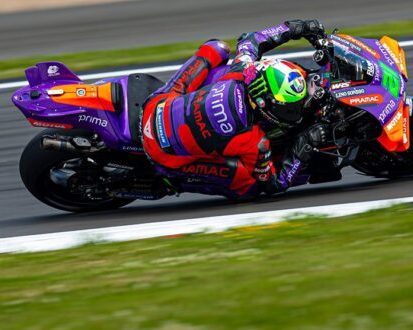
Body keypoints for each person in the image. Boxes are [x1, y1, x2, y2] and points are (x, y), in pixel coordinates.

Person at [140, 20, 329, 199]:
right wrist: (303, 144)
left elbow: (251, 40)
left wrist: (295, 28)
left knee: (216, 48)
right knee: (248, 186)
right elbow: (274, 183)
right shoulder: (254, 140)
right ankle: (173, 180)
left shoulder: (241, 72)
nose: (295, 111)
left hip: (156, 105)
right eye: (290, 109)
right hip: (162, 153)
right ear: (263, 105)